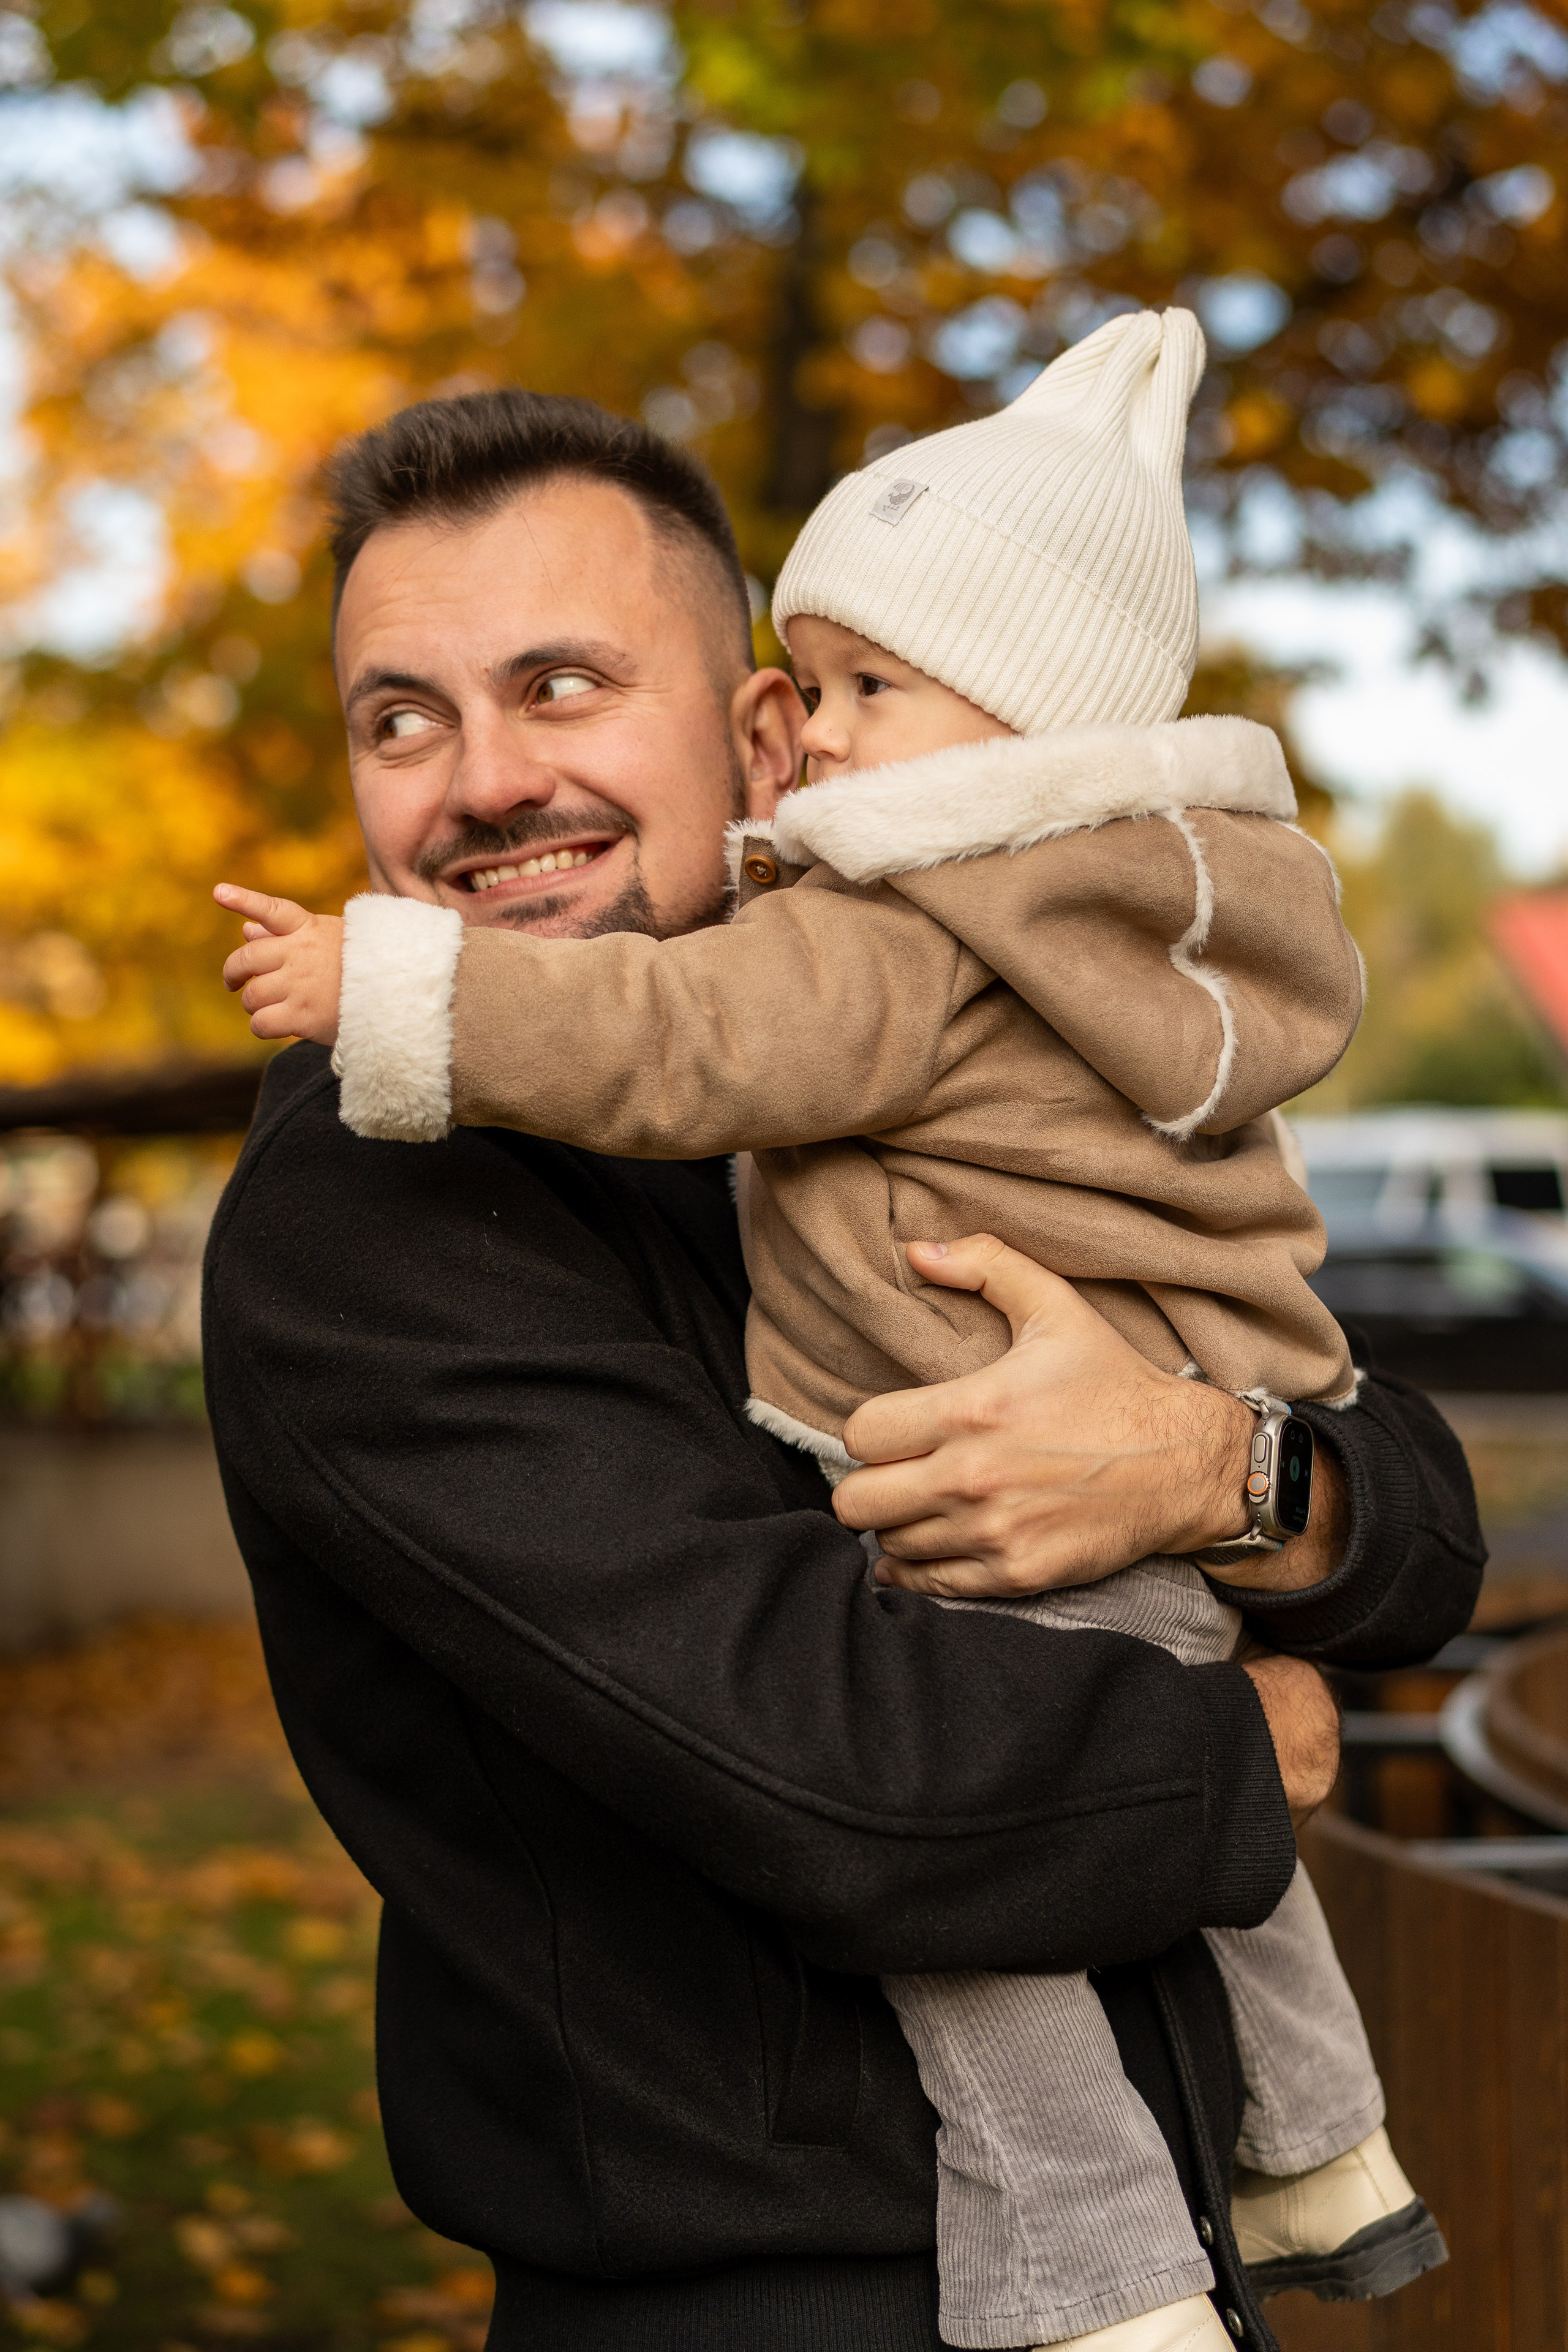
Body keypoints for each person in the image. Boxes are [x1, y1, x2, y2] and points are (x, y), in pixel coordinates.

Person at [204, 378, 1485, 2352]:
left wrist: (1211, 1471)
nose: (480, 784)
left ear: (768, 739)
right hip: (773, 2302)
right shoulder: (374, 1210)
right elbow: (842, 1776)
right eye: (403, 721)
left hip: (1163, 2253)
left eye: (559, 687)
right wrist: (1257, 1744)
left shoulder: (924, 1054)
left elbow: (1408, 1512)